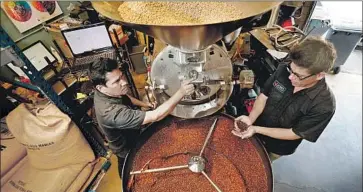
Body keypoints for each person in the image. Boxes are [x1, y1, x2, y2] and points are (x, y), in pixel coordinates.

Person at [232, 37, 337, 161]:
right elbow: (264, 96)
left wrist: (256, 129)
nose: (291, 77)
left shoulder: (324, 105)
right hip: (256, 129)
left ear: (320, 75)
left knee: (261, 163)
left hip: (278, 146)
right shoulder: (285, 69)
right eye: (291, 70)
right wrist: (250, 119)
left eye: (299, 76)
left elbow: (294, 133)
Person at [89, 58, 194, 176]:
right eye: (117, 81)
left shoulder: (105, 92)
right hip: (126, 147)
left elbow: (125, 97)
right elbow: (156, 116)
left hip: (132, 131)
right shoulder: (111, 113)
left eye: (122, 76)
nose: (124, 82)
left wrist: (145, 104)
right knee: (131, 171)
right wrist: (181, 92)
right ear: (100, 87)